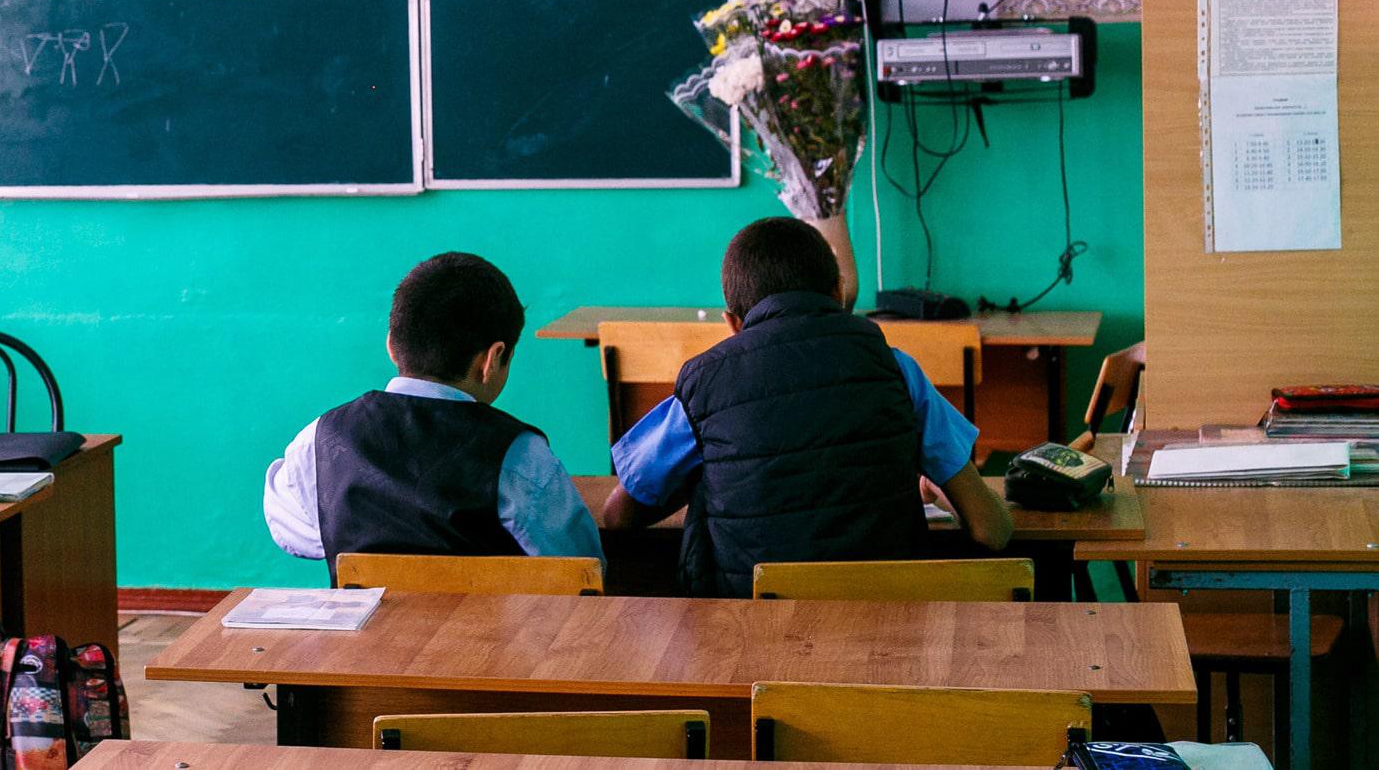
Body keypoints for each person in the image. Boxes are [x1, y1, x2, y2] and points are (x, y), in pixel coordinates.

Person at [601, 217, 1013, 597]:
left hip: (750, 630)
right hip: (889, 626)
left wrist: (703, 479)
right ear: (838, 292)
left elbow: (618, 515)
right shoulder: (895, 368)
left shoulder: (704, 384)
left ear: (732, 323)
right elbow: (991, 530)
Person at [264, 251, 603, 577]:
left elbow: (292, 531)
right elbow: (582, 569)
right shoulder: (519, 455)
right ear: (492, 359)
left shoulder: (321, 438)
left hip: (371, 619)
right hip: (491, 619)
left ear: (391, 345)